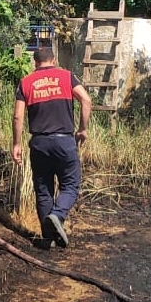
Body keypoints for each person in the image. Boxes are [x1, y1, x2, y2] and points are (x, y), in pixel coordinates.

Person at [12, 47, 93, 248]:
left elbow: (17, 116)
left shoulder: (26, 82)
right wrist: (82, 129)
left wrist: (16, 143)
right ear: (54, 60)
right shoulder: (67, 77)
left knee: (43, 189)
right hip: (64, 141)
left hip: (39, 143)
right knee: (70, 186)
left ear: (35, 62)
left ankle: (48, 238)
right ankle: (57, 215)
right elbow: (86, 100)